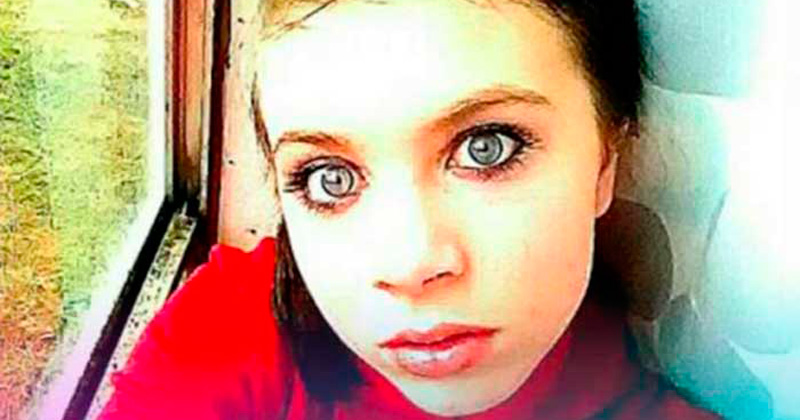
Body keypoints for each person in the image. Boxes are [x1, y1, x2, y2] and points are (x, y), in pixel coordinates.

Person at [100, 0, 719, 418]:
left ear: (606, 160)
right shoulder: (235, 323)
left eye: (487, 147)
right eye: (330, 178)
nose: (408, 265)